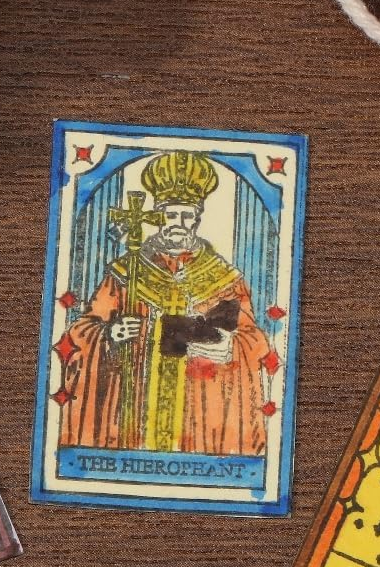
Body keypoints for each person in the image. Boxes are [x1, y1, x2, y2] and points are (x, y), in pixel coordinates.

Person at [59, 149, 271, 457]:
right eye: (171, 215)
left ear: (197, 219)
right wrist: (110, 333)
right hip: (133, 407)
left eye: (187, 216)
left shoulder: (224, 278)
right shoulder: (126, 272)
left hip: (199, 410)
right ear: (158, 216)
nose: (178, 223)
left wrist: (229, 345)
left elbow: (253, 339)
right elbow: (83, 329)